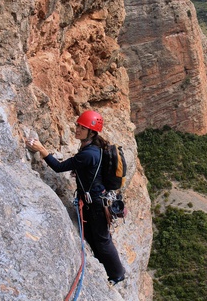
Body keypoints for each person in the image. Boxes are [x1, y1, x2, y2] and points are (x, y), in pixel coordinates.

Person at [27, 110, 126, 286]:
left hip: (95, 204)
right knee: (91, 235)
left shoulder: (88, 153)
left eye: (83, 127)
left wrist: (41, 149)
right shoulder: (94, 149)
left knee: (102, 240)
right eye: (78, 125)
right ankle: (104, 267)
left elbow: (58, 167)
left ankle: (117, 275)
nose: (78, 129)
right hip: (95, 200)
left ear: (92, 132)